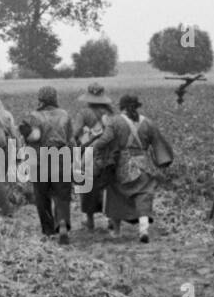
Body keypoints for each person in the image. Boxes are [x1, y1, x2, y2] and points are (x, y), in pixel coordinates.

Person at [93, 93, 171, 243]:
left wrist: (96, 149)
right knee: (143, 195)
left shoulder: (115, 122)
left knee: (115, 195)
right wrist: (163, 162)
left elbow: (105, 140)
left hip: (122, 166)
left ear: (121, 106)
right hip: (144, 165)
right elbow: (159, 145)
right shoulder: (148, 123)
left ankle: (116, 231)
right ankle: (143, 229)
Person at [21, 86, 75, 244]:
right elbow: (71, 139)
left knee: (42, 195)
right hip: (61, 156)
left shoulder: (34, 116)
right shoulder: (64, 114)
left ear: (40, 99)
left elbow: (34, 136)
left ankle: (49, 231)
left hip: (40, 159)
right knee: (62, 194)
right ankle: (63, 224)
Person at [73, 83, 116, 231]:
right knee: (108, 185)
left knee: (87, 186)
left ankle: (89, 220)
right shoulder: (110, 114)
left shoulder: (84, 113)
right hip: (109, 153)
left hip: (89, 153)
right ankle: (110, 217)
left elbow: (76, 132)